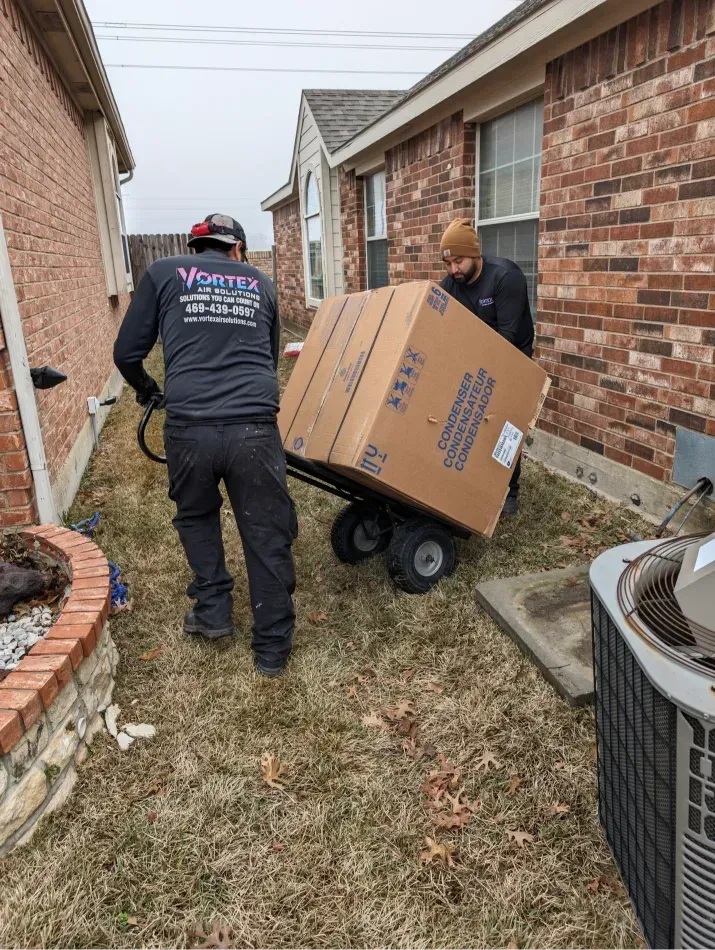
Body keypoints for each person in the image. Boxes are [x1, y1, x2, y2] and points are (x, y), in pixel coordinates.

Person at [113, 214, 297, 677]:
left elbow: (126, 354)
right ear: (237, 249)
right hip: (253, 429)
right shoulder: (262, 283)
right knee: (265, 531)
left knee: (196, 515)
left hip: (188, 428)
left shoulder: (162, 273)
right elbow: (269, 355)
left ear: (195, 249)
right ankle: (272, 650)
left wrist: (147, 387)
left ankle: (213, 613)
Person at [440, 218, 535, 517]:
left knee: (505, 424)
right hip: (475, 355)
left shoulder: (505, 277)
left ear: (475, 255)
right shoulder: (450, 285)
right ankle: (474, 481)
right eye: (448, 263)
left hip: (513, 356)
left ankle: (510, 492)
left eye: (460, 260)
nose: (454, 269)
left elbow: (506, 338)